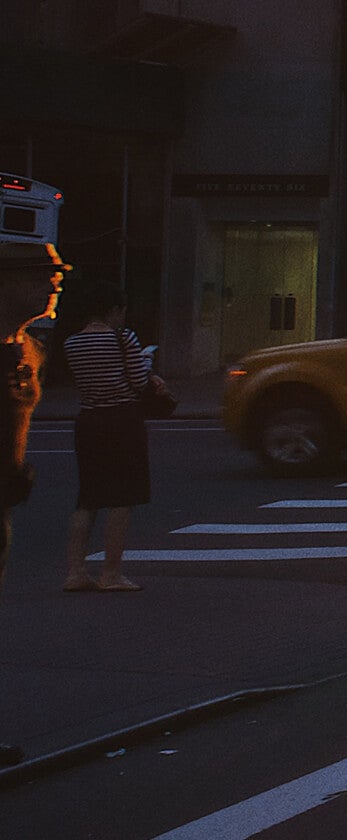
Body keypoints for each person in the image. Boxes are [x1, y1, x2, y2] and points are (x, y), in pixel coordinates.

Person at [0, 241, 68, 769]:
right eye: (46, 274)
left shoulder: (27, 347)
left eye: (57, 273)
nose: (55, 282)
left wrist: (18, 473)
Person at [57, 281, 163, 593]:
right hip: (122, 420)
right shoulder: (123, 338)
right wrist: (146, 361)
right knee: (122, 497)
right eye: (122, 311)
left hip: (88, 420)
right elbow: (138, 381)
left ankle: (75, 572)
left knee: (87, 498)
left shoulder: (71, 343)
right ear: (114, 310)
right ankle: (111, 573)